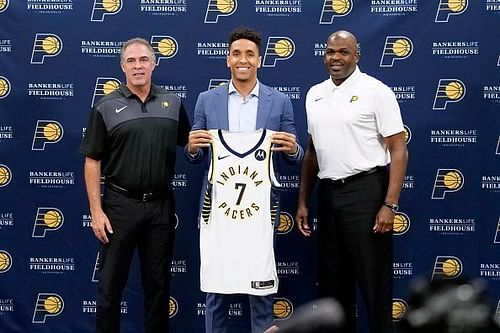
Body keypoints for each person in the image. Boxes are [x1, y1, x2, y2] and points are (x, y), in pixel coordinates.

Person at [186, 27, 303, 333]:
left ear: (260, 60)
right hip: (217, 210)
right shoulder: (206, 100)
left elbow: (295, 153)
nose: (243, 60)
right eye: (237, 53)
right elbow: (195, 155)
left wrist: (293, 149)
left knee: (261, 292)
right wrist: (192, 147)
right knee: (215, 292)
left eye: (250, 54)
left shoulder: (279, 102)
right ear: (228, 60)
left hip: (259, 211)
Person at [296, 30, 408, 333]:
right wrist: (304, 200)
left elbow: (399, 149)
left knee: (374, 286)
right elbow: (312, 153)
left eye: (343, 52)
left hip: (367, 194)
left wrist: (389, 204)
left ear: (356, 56)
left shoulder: (376, 91)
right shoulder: (314, 94)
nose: (336, 58)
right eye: (331, 51)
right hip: (329, 196)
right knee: (333, 287)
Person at [79, 37, 190, 333]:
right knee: (110, 287)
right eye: (131, 61)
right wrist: (96, 211)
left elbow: (190, 144)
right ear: (122, 66)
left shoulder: (173, 103)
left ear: (154, 64)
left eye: (144, 60)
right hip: (119, 206)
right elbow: (92, 161)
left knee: (158, 286)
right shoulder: (105, 107)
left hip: (161, 207)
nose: (138, 66)